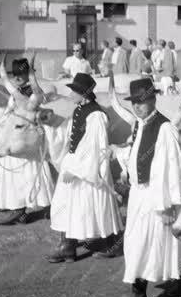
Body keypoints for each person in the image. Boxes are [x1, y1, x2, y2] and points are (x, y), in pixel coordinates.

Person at [112, 78, 181, 297]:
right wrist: (122, 163)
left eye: (142, 101)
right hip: (139, 195)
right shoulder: (139, 124)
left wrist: (167, 205)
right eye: (135, 102)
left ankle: (138, 294)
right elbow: (137, 154)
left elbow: (171, 168)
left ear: (153, 99)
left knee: (151, 243)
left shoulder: (165, 128)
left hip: (157, 196)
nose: (138, 106)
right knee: (143, 242)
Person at [46, 73, 123, 263]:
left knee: (93, 206)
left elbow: (94, 147)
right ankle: (68, 247)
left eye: (73, 90)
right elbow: (68, 134)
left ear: (82, 93)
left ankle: (110, 244)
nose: (70, 93)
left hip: (88, 170)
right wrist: (48, 126)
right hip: (73, 164)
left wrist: (77, 171)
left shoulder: (96, 115)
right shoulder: (80, 110)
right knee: (65, 204)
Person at [0, 58, 55, 224]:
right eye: (15, 75)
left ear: (28, 74)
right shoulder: (16, 93)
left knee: (24, 173)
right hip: (14, 138)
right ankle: (13, 205)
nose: (17, 78)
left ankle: (20, 209)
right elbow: (9, 115)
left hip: (28, 142)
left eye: (21, 74)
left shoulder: (37, 93)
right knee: (13, 173)